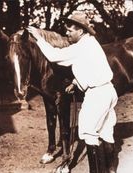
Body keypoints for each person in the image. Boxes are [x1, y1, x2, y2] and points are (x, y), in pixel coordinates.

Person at [28, 13, 118, 173]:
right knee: (105, 132)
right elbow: (92, 67)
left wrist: (38, 38)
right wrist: (76, 83)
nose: (67, 33)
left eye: (70, 30)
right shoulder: (91, 43)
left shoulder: (81, 47)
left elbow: (54, 56)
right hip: (108, 91)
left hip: (97, 94)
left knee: (88, 133)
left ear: (81, 31)